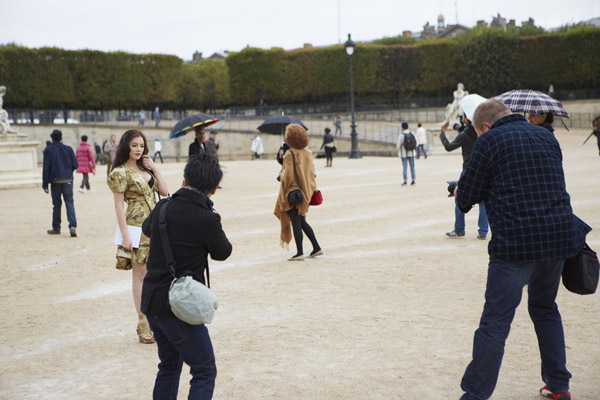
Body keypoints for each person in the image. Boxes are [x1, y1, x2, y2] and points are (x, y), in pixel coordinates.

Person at [456, 100, 591, 400]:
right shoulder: (546, 136)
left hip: (515, 245)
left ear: (485, 126)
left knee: (495, 323)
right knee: (545, 309)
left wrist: (461, 185)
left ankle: (475, 395)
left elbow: (466, 198)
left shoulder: (489, 140)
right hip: (558, 240)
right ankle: (558, 385)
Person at [142, 152, 231, 399]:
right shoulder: (207, 218)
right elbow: (223, 252)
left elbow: (147, 228)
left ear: (183, 180)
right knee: (204, 369)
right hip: (178, 304)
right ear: (213, 189)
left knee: (168, 366)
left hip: (152, 301)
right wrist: (209, 215)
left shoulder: (163, 206)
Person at [108, 129, 169, 344]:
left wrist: (155, 169)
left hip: (155, 225)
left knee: (157, 273)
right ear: (126, 146)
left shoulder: (146, 169)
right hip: (135, 227)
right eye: (135, 145)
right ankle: (142, 321)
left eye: (141, 146)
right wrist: (125, 235)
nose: (138, 149)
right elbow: (117, 206)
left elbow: (164, 192)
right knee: (140, 275)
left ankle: (156, 317)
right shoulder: (120, 172)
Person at [439, 95, 488, 240]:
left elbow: (449, 147)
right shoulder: (483, 133)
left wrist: (442, 134)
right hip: (483, 170)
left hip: (468, 170)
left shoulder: (464, 135)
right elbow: (465, 129)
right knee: (483, 203)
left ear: (466, 118)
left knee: (459, 197)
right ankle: (483, 231)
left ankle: (459, 229)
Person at [274, 124, 323, 261]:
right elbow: (311, 174)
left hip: (293, 192)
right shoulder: (308, 153)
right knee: (301, 221)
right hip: (306, 191)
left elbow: (288, 176)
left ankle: (299, 252)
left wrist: (280, 176)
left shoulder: (290, 153)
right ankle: (316, 247)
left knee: (296, 221)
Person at [42, 129, 78, 237]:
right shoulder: (68, 149)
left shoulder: (48, 150)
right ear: (61, 138)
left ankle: (56, 228)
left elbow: (46, 168)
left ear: (52, 138)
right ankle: (72, 226)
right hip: (67, 180)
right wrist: (68, 173)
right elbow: (75, 165)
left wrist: (45, 184)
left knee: (56, 205)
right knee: (69, 203)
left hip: (55, 181)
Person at [396, 122, 416, 186]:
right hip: (412, 153)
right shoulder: (412, 133)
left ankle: (405, 181)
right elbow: (416, 143)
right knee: (412, 167)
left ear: (402, 127)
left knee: (405, 167)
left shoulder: (401, 135)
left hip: (403, 153)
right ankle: (413, 180)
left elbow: (398, 146)